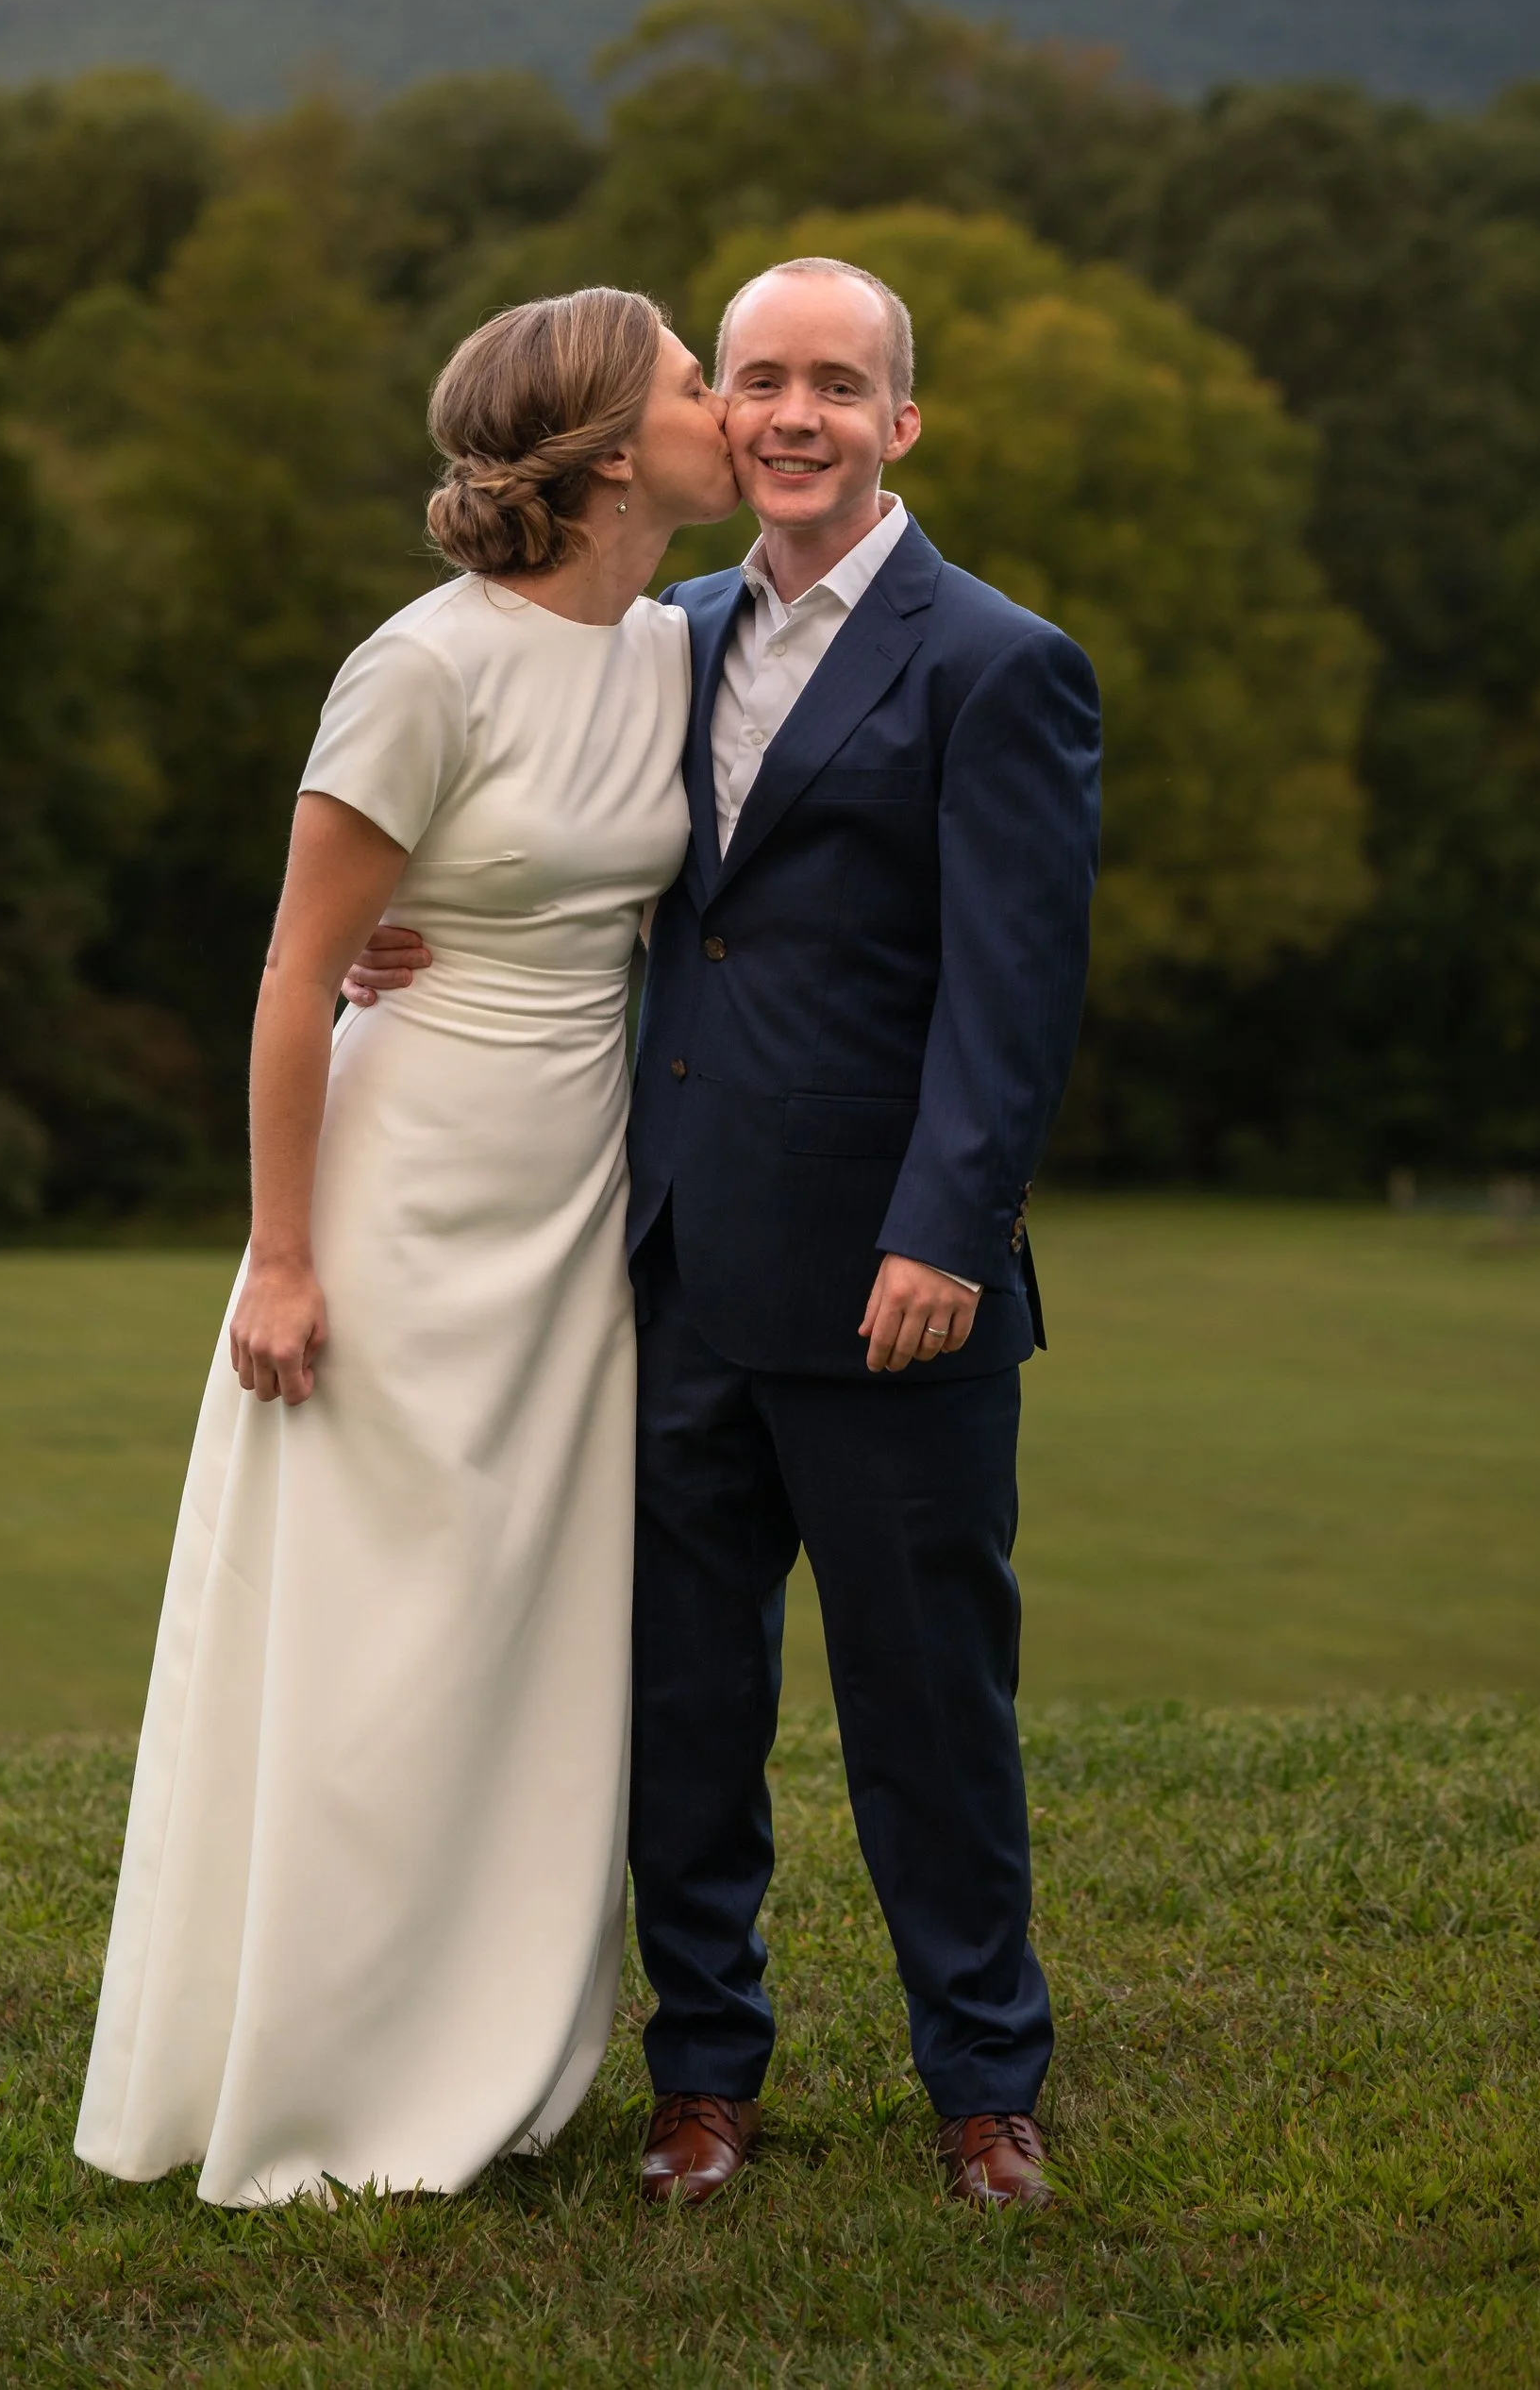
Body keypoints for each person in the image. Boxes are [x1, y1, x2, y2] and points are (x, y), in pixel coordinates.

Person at [362, 252, 1102, 2216]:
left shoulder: (992, 661)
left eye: (832, 387)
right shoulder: (658, 631)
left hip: (892, 1288)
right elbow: (555, 849)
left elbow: (1007, 995)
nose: (785, 413)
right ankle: (705, 2082)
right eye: (753, 376)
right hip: (668, 1266)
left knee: (924, 1706)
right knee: (680, 1711)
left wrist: (944, 1231)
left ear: (898, 425)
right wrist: (391, 924)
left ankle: (982, 2088)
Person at [75, 286, 739, 2206]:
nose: (717, 414)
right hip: (392, 1199)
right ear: (612, 448)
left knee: (517, 1640)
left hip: (575, 1207)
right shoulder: (417, 667)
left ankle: (499, 2061)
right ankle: (317, 2076)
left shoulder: (667, 652)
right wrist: (281, 1255)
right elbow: (293, 975)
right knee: (370, 1645)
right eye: (696, 385)